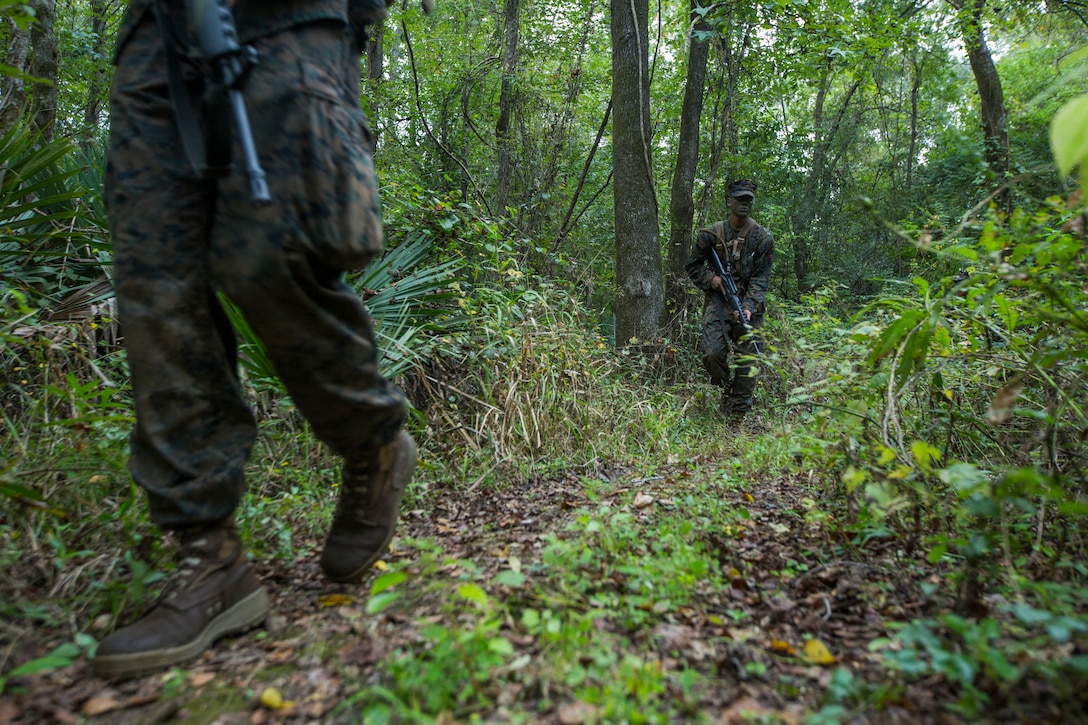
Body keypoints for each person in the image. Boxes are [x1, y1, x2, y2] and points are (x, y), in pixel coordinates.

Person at [92, 0, 416, 679]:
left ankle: (371, 438)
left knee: (268, 256)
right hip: (158, 28)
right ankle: (209, 557)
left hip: (290, 19)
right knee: (157, 286)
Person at [685, 179, 774, 417]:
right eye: (740, 199)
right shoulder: (711, 234)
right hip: (718, 303)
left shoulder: (763, 238)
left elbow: (761, 279)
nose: (744, 204)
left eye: (749, 200)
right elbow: (692, 266)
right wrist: (712, 280)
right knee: (712, 354)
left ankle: (738, 415)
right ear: (729, 202)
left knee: (748, 361)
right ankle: (726, 391)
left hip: (748, 307)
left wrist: (747, 308)